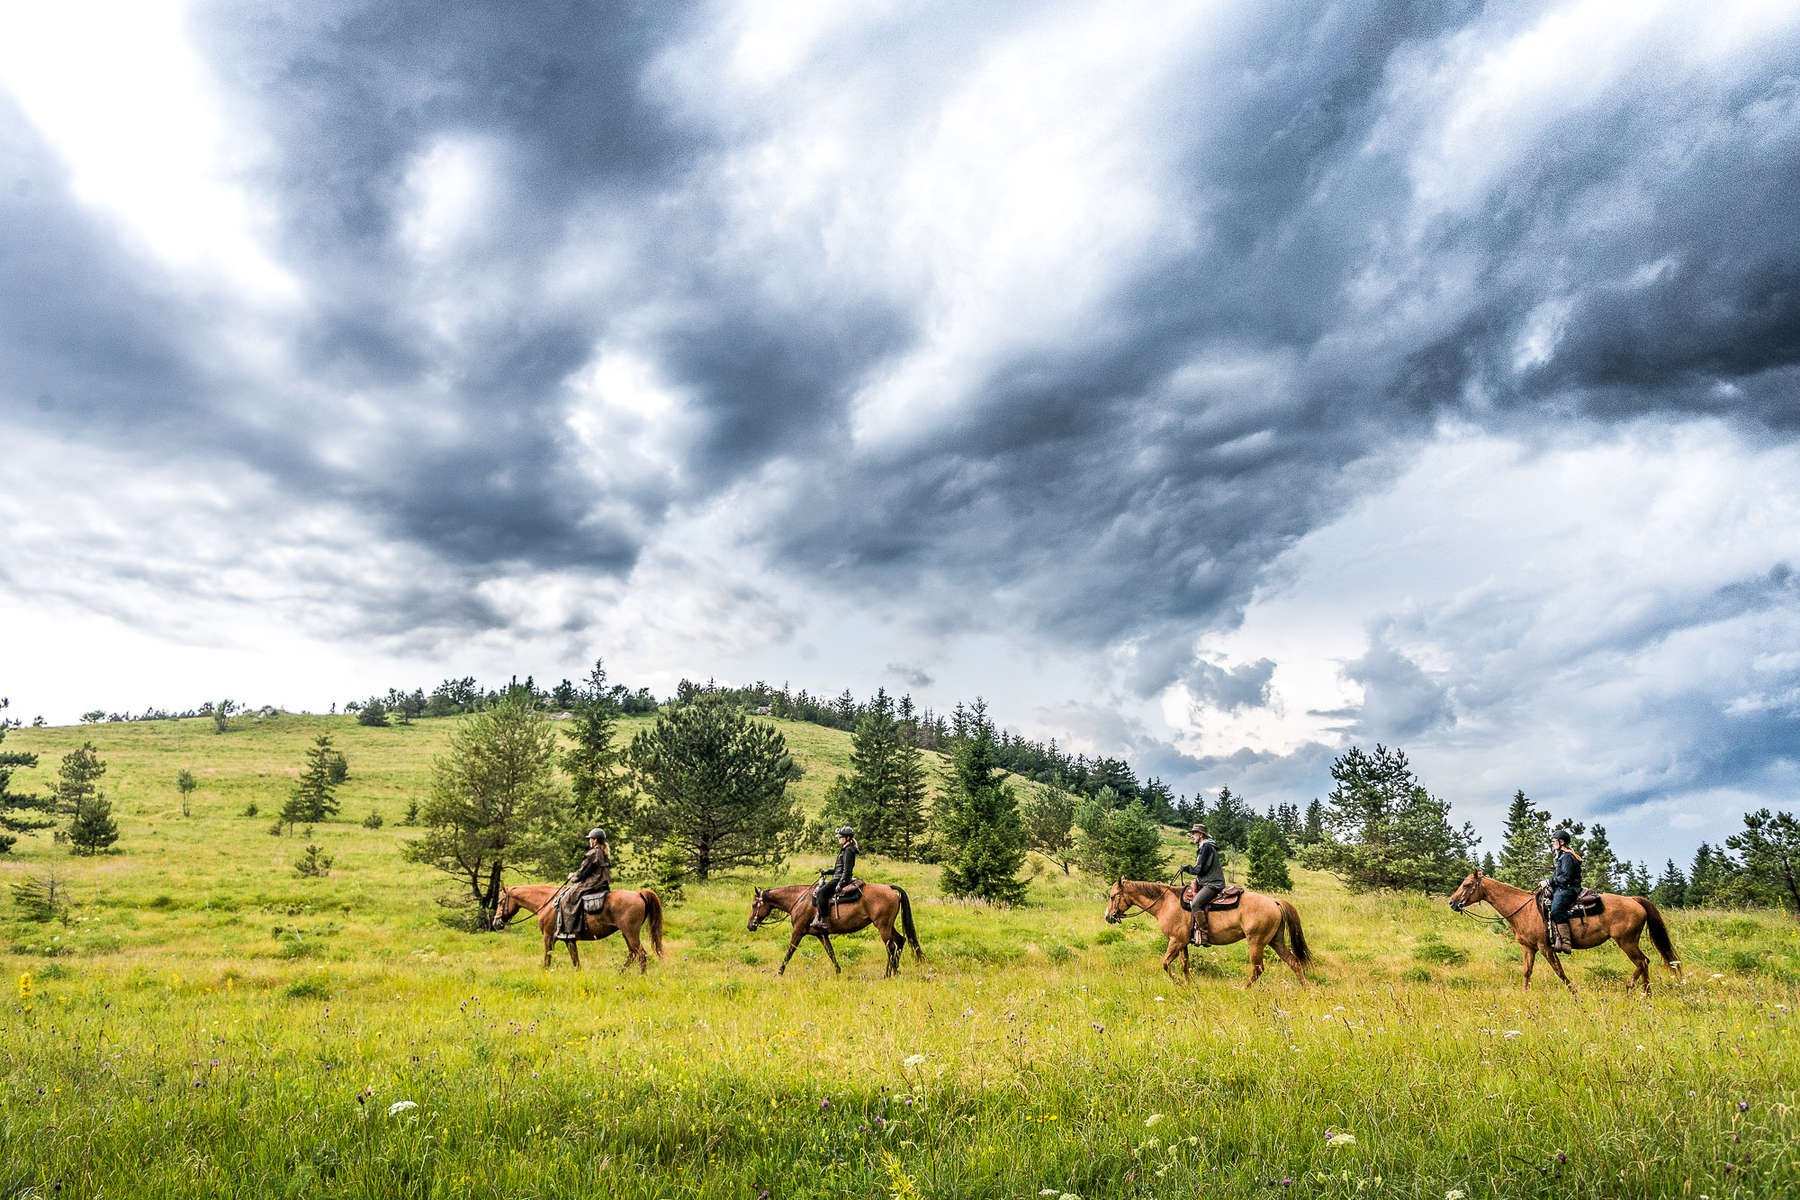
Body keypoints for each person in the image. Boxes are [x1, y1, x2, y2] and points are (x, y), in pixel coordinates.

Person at [556, 828, 611, 941]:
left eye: (590, 839)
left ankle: (569, 931)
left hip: (593, 883)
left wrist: (573, 876)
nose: (589, 841)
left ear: (595, 840)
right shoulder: (603, 852)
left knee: (567, 898)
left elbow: (583, 871)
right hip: (602, 883)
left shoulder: (593, 853)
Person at [1179, 823, 1225, 946]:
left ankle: (1204, 935)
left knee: (1196, 904)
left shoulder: (1206, 847)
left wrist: (1187, 868)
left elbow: (1199, 870)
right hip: (1207, 882)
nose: (1192, 836)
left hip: (1213, 884)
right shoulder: (1206, 846)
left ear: (1201, 835)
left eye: (1194, 833)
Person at [810, 826, 857, 935]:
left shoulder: (849, 850)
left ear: (848, 838)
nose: (838, 838)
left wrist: (840, 884)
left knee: (821, 893)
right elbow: (838, 869)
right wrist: (827, 871)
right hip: (838, 877)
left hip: (839, 879)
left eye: (841, 837)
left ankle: (823, 921)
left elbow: (847, 870)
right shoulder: (845, 849)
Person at [1547, 829, 1584, 953]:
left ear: (1561, 842)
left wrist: (1549, 882)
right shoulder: (1563, 855)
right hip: (1563, 887)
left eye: (1554, 841)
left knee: (1556, 910)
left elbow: (1566, 878)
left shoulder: (1567, 856)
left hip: (1569, 889)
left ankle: (1566, 942)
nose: (1553, 843)